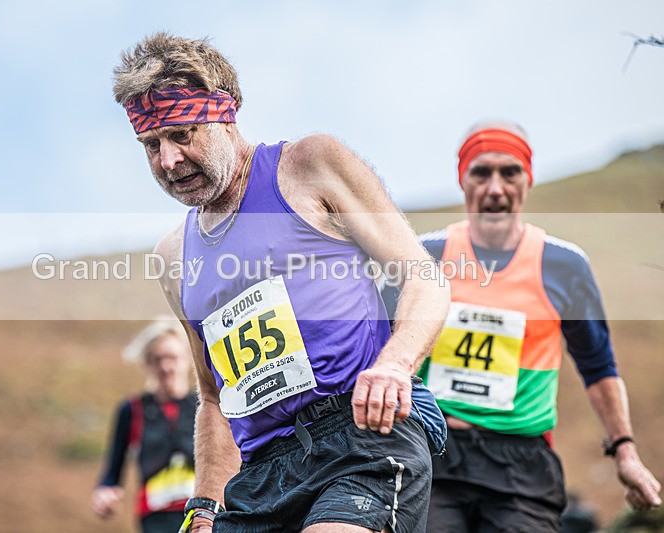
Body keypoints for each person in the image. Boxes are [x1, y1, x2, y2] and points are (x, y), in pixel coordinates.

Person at [112, 33, 450, 533]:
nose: (168, 160)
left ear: (225, 115)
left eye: (182, 135)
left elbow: (424, 276)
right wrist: (204, 506)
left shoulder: (307, 165)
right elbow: (213, 397)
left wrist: (395, 365)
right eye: (151, 144)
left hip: (359, 440)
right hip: (260, 478)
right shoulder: (174, 256)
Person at [382, 121, 662, 532]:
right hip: (432, 453)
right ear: (464, 181)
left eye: (510, 172)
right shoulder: (427, 256)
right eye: (481, 172)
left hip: (521, 467)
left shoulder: (564, 266)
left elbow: (598, 366)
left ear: (527, 181)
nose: (495, 187)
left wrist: (625, 453)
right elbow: (378, 348)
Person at [90, 319, 197, 532]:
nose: (166, 366)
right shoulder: (131, 409)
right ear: (146, 364)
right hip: (156, 519)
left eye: (173, 358)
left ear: (187, 360)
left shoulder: (206, 405)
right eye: (158, 359)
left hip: (202, 513)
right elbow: (112, 470)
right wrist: (104, 492)